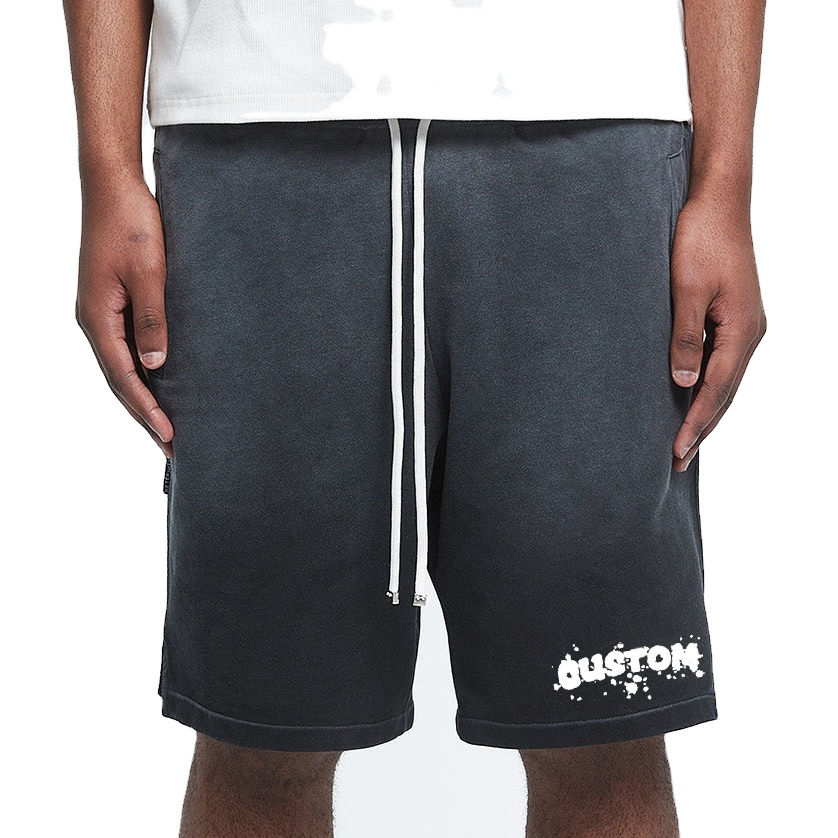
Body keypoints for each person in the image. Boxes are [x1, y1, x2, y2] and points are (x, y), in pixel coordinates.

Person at [64, 1, 766, 835]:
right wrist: (106, 169)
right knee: (257, 737)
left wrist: (725, 184)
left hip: (591, 122)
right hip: (255, 126)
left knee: (604, 726)